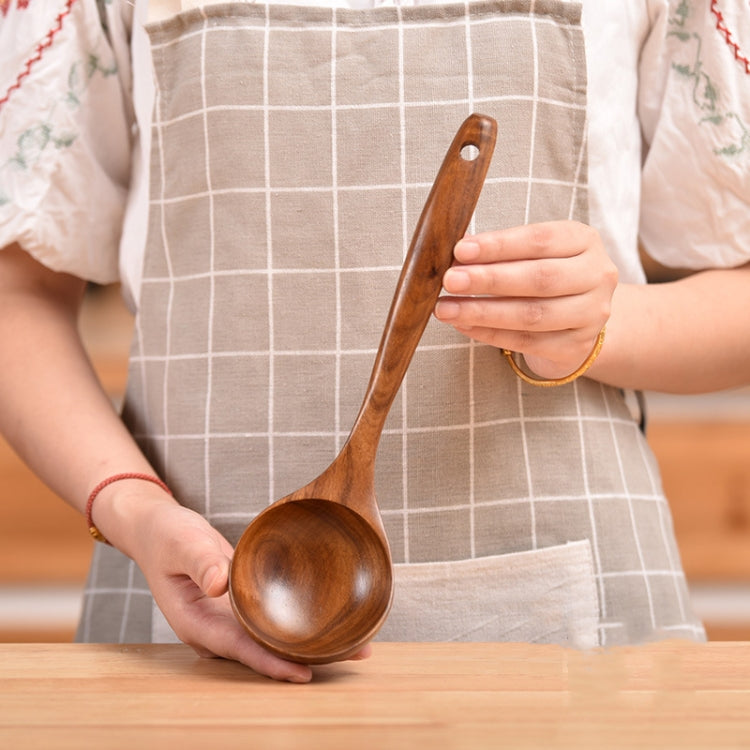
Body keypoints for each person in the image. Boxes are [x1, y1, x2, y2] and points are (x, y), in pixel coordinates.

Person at [1, 0, 748, 683]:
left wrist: (602, 325)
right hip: (199, 606)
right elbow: (17, 294)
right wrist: (136, 511)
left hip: (576, 634)